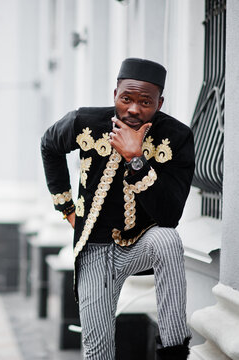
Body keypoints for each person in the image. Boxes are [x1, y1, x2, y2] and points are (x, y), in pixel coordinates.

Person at [41, 58, 194, 360]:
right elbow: (49, 145)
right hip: (94, 250)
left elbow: (169, 216)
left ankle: (174, 353)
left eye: (145, 102)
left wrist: (136, 158)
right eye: (126, 99)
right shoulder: (85, 122)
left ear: (159, 102)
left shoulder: (176, 137)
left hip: (140, 246)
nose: (134, 110)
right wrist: (66, 206)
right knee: (98, 352)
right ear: (115, 95)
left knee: (168, 241)